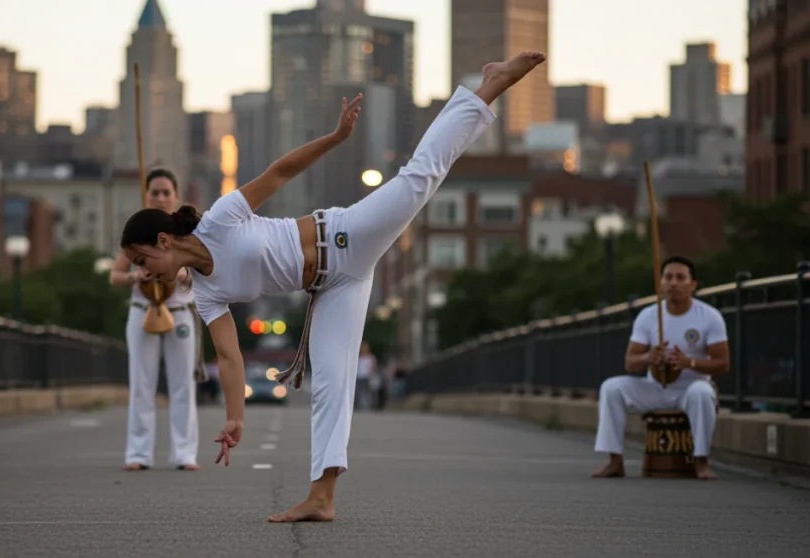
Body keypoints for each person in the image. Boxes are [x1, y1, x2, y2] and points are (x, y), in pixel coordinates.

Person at [118, 51, 547, 521]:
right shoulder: (204, 293)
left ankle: (489, 86)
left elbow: (279, 173)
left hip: (344, 236)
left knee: (419, 177)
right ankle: (322, 497)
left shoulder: (219, 220)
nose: (143, 272)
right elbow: (228, 356)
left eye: (142, 260)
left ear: (163, 241)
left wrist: (336, 137)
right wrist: (235, 417)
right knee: (330, 382)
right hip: (335, 286)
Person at [592, 256, 729, 480]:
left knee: (703, 394)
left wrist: (689, 363)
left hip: (691, 386)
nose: (674, 283)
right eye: (668, 277)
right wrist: (649, 357)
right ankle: (614, 461)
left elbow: (722, 364)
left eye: (680, 278)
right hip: (655, 387)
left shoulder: (709, 317)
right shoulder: (648, 316)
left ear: (693, 285)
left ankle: (701, 462)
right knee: (611, 388)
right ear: (661, 284)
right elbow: (630, 363)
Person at [109, 168, 206, 471]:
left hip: (179, 312)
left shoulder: (185, 232)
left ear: (175, 196)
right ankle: (138, 453)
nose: (161, 198)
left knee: (183, 384)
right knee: (141, 382)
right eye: (155, 192)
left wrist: (179, 272)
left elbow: (201, 272)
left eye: (166, 192)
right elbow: (115, 275)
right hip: (143, 311)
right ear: (147, 195)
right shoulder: (138, 230)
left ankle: (184, 453)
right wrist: (136, 275)